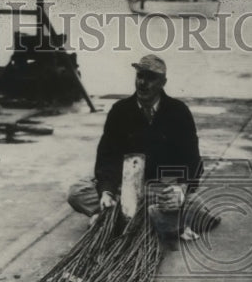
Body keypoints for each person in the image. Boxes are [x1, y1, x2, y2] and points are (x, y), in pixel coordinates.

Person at [68, 54, 218, 242]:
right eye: (140, 76)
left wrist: (181, 189)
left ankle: (117, 217)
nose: (143, 83)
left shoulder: (178, 112)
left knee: (198, 209)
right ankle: (150, 217)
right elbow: (107, 157)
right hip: (125, 185)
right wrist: (106, 191)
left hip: (161, 186)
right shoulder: (120, 110)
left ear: (163, 82)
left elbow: (193, 161)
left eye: (150, 78)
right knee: (77, 192)